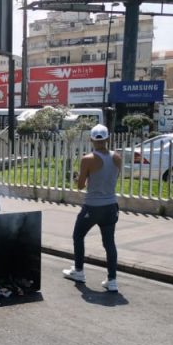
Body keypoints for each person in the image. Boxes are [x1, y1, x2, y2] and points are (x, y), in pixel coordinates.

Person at [62, 124, 122, 292]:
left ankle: (79, 271)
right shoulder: (117, 157)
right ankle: (112, 281)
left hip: (93, 207)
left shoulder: (87, 159)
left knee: (78, 236)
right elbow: (112, 177)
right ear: (107, 139)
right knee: (109, 243)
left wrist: (77, 177)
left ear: (91, 140)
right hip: (111, 206)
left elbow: (80, 186)